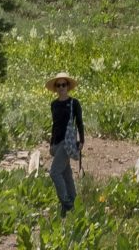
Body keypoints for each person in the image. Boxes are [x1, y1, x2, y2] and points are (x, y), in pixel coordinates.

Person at [45, 71, 85, 215]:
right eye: (59, 85)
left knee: (54, 172)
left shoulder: (74, 103)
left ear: (68, 86)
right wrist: (51, 144)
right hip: (56, 143)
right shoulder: (54, 104)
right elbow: (54, 125)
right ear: (55, 88)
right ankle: (73, 203)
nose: (61, 87)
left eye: (64, 84)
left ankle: (66, 202)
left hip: (67, 143)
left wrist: (82, 141)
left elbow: (79, 123)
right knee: (66, 173)